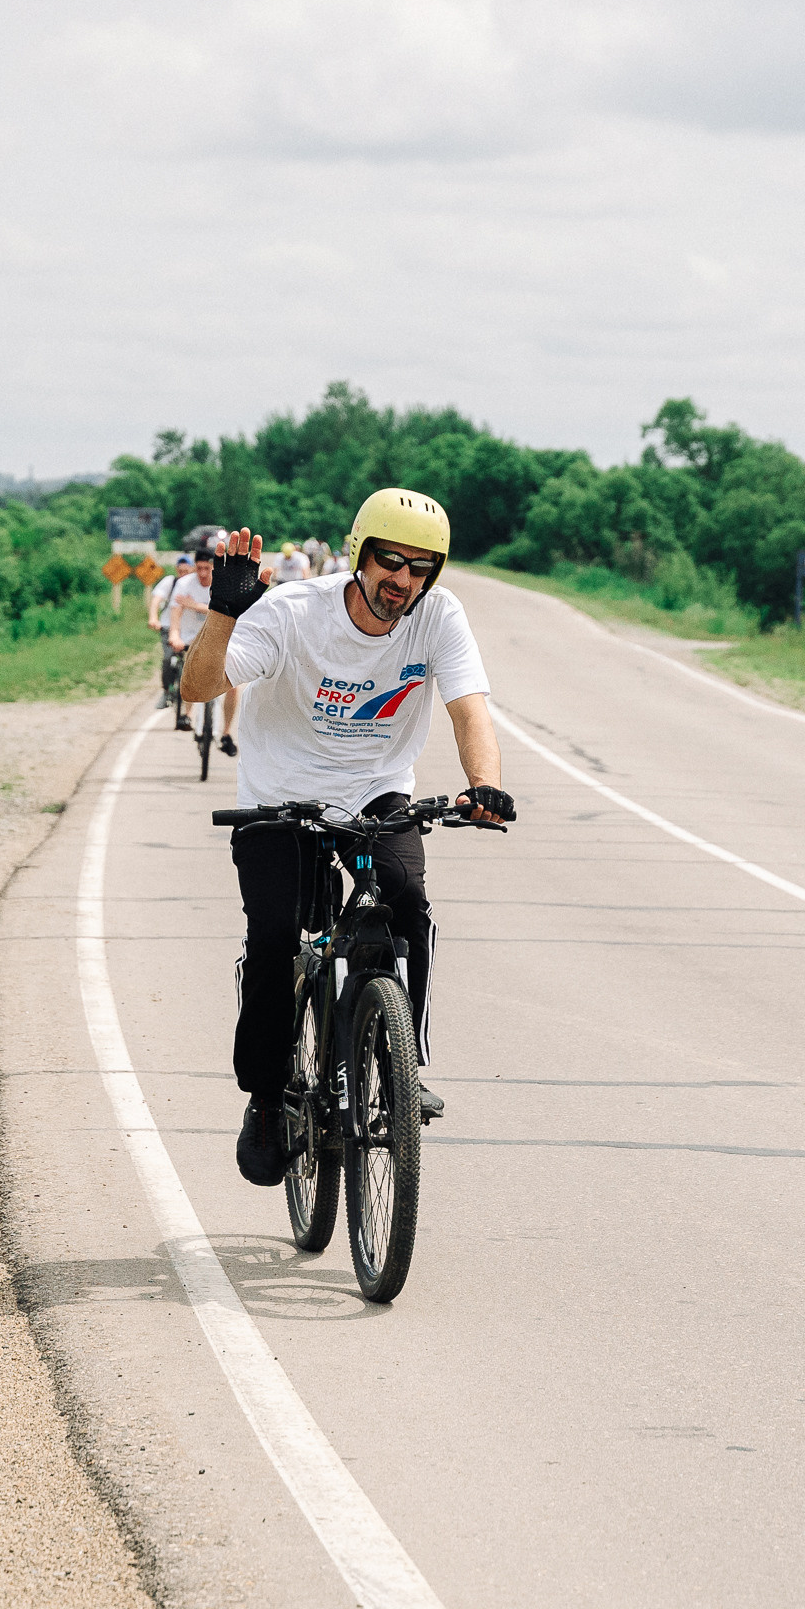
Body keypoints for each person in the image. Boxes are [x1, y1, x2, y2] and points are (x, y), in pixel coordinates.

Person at [178, 488, 519, 1187]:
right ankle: (269, 1099)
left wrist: (482, 783)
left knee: (405, 898)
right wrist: (222, 612)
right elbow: (197, 688)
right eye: (390, 561)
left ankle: (402, 1068)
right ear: (361, 554)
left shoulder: (438, 618)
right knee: (276, 933)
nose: (403, 580)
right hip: (281, 798)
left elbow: (468, 709)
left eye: (421, 568)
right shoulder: (293, 612)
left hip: (375, 791)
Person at [165, 551, 239, 754]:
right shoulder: (185, 583)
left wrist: (196, 606)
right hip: (191, 636)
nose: (203, 573)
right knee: (192, 671)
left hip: (221, 636)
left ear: (214, 568)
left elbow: (227, 611)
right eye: (199, 568)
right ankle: (187, 715)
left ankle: (226, 733)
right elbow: (176, 610)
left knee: (232, 682)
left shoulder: (225, 584)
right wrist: (174, 635)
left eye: (208, 568)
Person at [146, 553, 187, 720]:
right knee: (168, 659)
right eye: (181, 570)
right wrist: (153, 618)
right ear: (177, 570)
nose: (184, 574)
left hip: (187, 630)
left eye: (187, 570)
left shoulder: (194, 584)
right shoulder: (171, 582)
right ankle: (166, 691)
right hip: (168, 626)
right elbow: (157, 599)